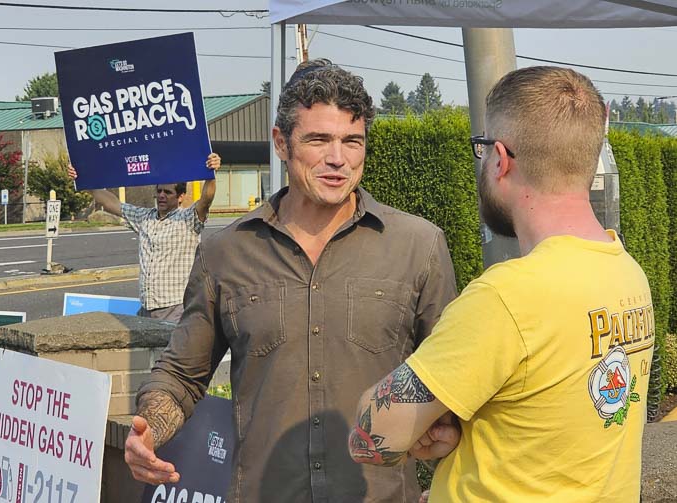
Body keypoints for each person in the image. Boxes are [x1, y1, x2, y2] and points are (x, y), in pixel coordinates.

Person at [124, 59, 460, 502]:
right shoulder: (226, 252)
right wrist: (147, 430)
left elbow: (454, 377)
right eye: (319, 140)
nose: (337, 158)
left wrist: (445, 433)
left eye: (352, 141)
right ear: (281, 143)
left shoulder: (419, 245)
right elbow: (183, 374)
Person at [348, 66, 654, 502]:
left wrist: (424, 427)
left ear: (501, 159)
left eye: (483, 147)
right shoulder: (626, 270)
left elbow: (370, 437)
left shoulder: (507, 297)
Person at [67, 152, 221, 322]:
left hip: (175, 308)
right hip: (146, 308)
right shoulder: (144, 217)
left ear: (181, 197)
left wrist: (211, 175)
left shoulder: (188, 219)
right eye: (159, 191)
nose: (161, 195)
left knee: (172, 349)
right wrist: (85, 180)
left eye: (168, 192)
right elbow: (111, 203)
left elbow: (206, 200)